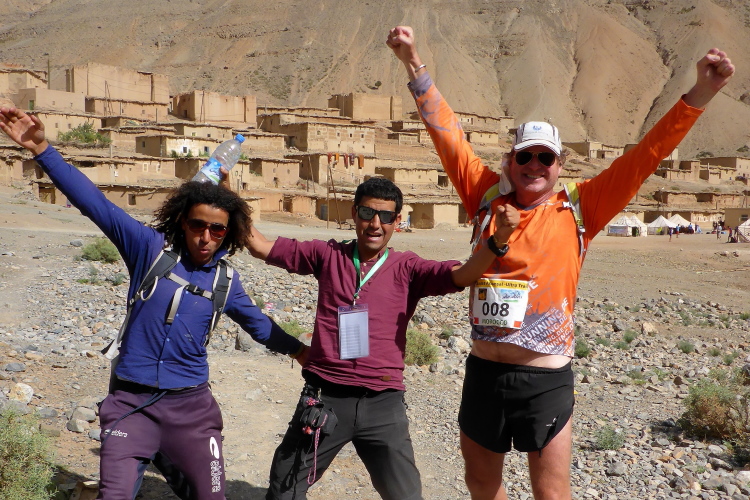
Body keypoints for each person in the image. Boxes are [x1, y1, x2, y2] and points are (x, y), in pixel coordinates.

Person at [388, 25, 734, 500]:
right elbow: (446, 133)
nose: (534, 165)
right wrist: (412, 62)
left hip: (545, 377)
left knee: (551, 493)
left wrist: (701, 93)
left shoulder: (582, 206)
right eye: (525, 156)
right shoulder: (484, 195)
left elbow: (646, 156)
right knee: (481, 485)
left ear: (560, 164)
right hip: (484, 371)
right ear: (509, 160)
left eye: (545, 158)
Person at [0, 107, 309, 500]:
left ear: (228, 233)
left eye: (217, 229)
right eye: (197, 225)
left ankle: (169, 458)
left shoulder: (226, 280)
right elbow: (95, 204)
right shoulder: (149, 250)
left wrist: (302, 352)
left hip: (192, 411)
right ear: (182, 222)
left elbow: (259, 326)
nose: (205, 237)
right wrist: (43, 149)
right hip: (131, 405)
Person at [247, 176, 519, 500]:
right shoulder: (328, 255)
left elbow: (461, 275)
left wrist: (497, 241)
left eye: (386, 216)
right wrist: (224, 196)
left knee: (406, 496)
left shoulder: (408, 268)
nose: (375, 224)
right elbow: (259, 246)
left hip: (383, 404)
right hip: (326, 397)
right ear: (354, 213)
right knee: (284, 490)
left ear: (397, 220)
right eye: (367, 213)